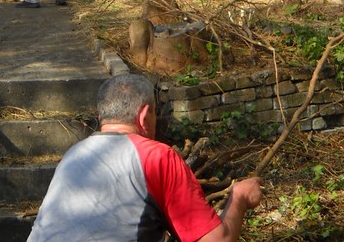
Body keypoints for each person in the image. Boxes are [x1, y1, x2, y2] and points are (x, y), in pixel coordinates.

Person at [27, 73, 263, 242]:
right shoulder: (158, 157)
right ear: (145, 115)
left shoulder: (73, 154)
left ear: (101, 116)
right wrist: (239, 198)